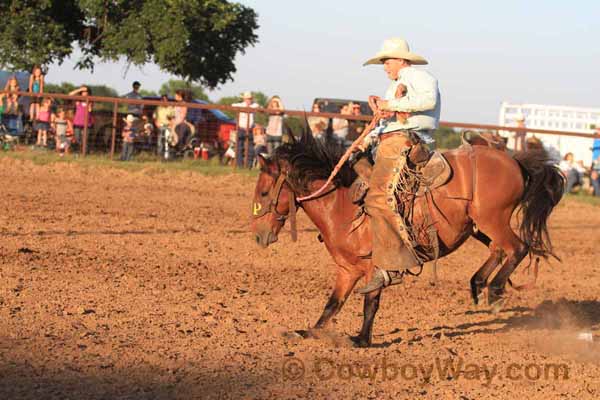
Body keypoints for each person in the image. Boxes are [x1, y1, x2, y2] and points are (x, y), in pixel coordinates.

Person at [358, 37, 441, 293]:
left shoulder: (419, 76)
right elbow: (388, 119)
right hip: (388, 140)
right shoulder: (395, 85)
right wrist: (369, 137)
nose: (385, 66)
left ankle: (393, 266)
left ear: (402, 60)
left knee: (378, 198)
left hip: (406, 141)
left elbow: (429, 101)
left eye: (388, 61)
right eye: (383, 62)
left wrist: (389, 105)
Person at [232, 91, 259, 168]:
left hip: (250, 129)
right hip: (241, 129)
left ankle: (248, 165)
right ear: (244, 99)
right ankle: (239, 165)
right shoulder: (241, 105)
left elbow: (258, 107)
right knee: (239, 147)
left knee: (250, 148)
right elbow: (232, 105)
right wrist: (242, 108)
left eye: (250, 99)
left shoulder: (254, 105)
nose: (248, 100)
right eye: (247, 99)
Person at [69, 86, 94, 152]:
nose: (84, 93)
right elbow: (70, 94)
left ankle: (84, 153)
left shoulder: (90, 100)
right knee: (77, 139)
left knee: (85, 139)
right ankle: (78, 152)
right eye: (83, 92)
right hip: (77, 123)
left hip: (87, 123)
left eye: (86, 91)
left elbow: (90, 110)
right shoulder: (78, 100)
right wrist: (80, 89)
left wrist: (89, 106)